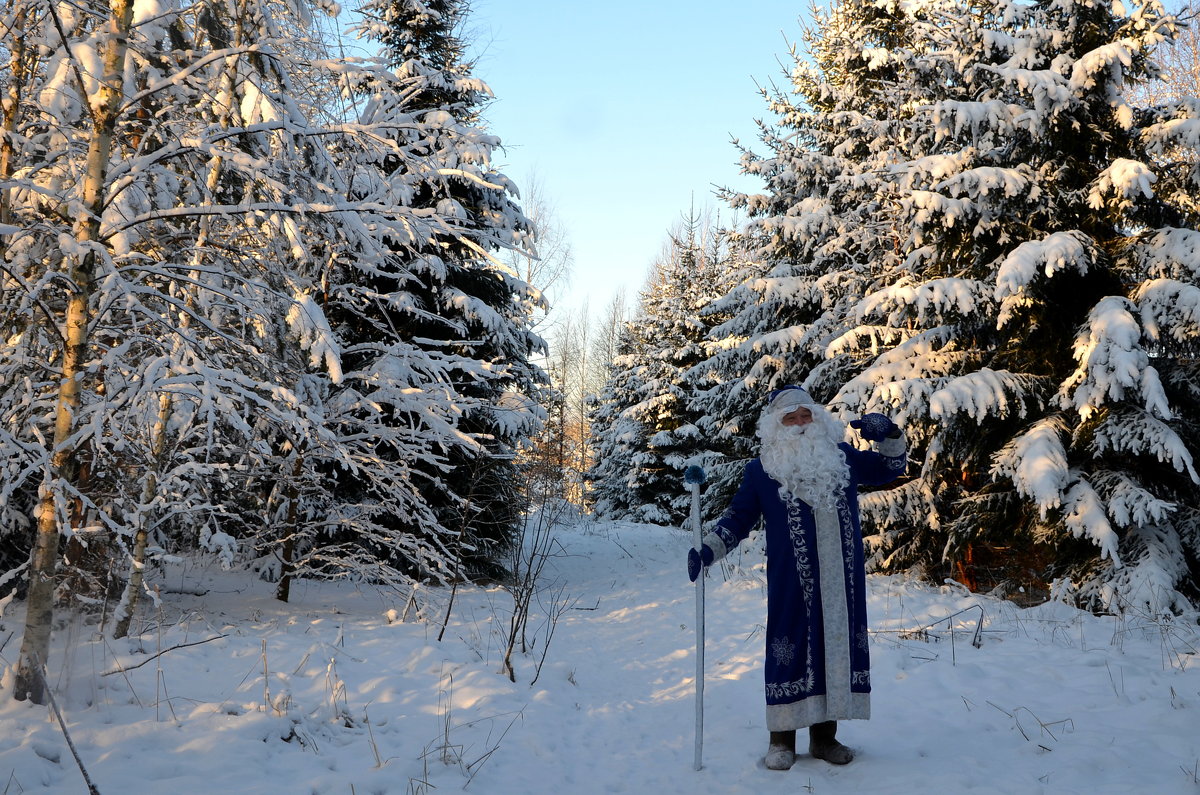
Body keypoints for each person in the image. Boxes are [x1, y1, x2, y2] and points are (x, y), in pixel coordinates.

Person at [687, 385, 906, 770]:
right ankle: (781, 741)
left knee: (835, 648)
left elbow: (891, 469)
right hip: (792, 583)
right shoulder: (761, 471)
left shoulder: (842, 459)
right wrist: (709, 549)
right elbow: (739, 518)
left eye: (807, 416)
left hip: (843, 581)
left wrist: (890, 435)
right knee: (789, 648)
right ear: (776, 426)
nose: (801, 424)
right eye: (791, 418)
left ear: (818, 420)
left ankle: (825, 739)